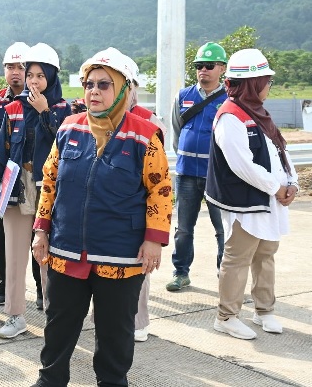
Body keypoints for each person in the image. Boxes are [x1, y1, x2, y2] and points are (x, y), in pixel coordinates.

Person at [30, 48, 172, 387]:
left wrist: (154, 240)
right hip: (67, 250)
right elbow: (50, 182)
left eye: (104, 84)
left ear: (123, 89)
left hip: (120, 254)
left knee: (115, 331)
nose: (94, 91)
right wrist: (41, 231)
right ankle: (50, 380)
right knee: (59, 324)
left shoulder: (145, 135)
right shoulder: (68, 128)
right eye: (89, 84)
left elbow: (161, 192)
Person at [205, 49, 299, 340]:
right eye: (266, 81)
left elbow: (279, 151)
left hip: (270, 199)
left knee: (266, 254)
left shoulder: (258, 113)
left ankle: (264, 310)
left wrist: (292, 182)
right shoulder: (230, 117)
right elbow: (242, 164)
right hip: (245, 201)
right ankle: (227, 315)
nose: (269, 86)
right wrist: (276, 187)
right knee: (238, 258)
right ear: (253, 83)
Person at [0, 43, 71, 339]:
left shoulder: (64, 111)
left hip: (51, 190)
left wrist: (45, 112)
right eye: (30, 74)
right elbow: (1, 149)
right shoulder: (13, 110)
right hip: (17, 188)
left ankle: (54, 313)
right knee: (14, 253)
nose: (33, 81)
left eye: (40, 76)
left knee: (49, 253)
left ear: (51, 77)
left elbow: (65, 145)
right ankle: (14, 315)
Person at [0, 41, 43, 308]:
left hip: (32, 176)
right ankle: (5, 284)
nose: (16, 72)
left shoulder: (45, 102)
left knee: (37, 235)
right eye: (10, 67)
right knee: (2, 234)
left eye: (22, 67)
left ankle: (42, 289)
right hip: (5, 175)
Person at [167, 42, 228, 292]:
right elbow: (176, 131)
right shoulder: (184, 96)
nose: (203, 70)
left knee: (223, 229)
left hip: (217, 176)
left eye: (209, 66)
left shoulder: (229, 99)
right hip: (186, 174)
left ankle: (225, 274)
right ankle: (181, 272)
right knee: (183, 229)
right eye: (198, 66)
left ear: (222, 69)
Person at [123, 54, 168, 342]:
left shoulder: (150, 122)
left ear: (133, 87)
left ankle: (139, 322)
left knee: (139, 269)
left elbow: (159, 184)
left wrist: (155, 234)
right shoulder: (90, 119)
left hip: (138, 210)